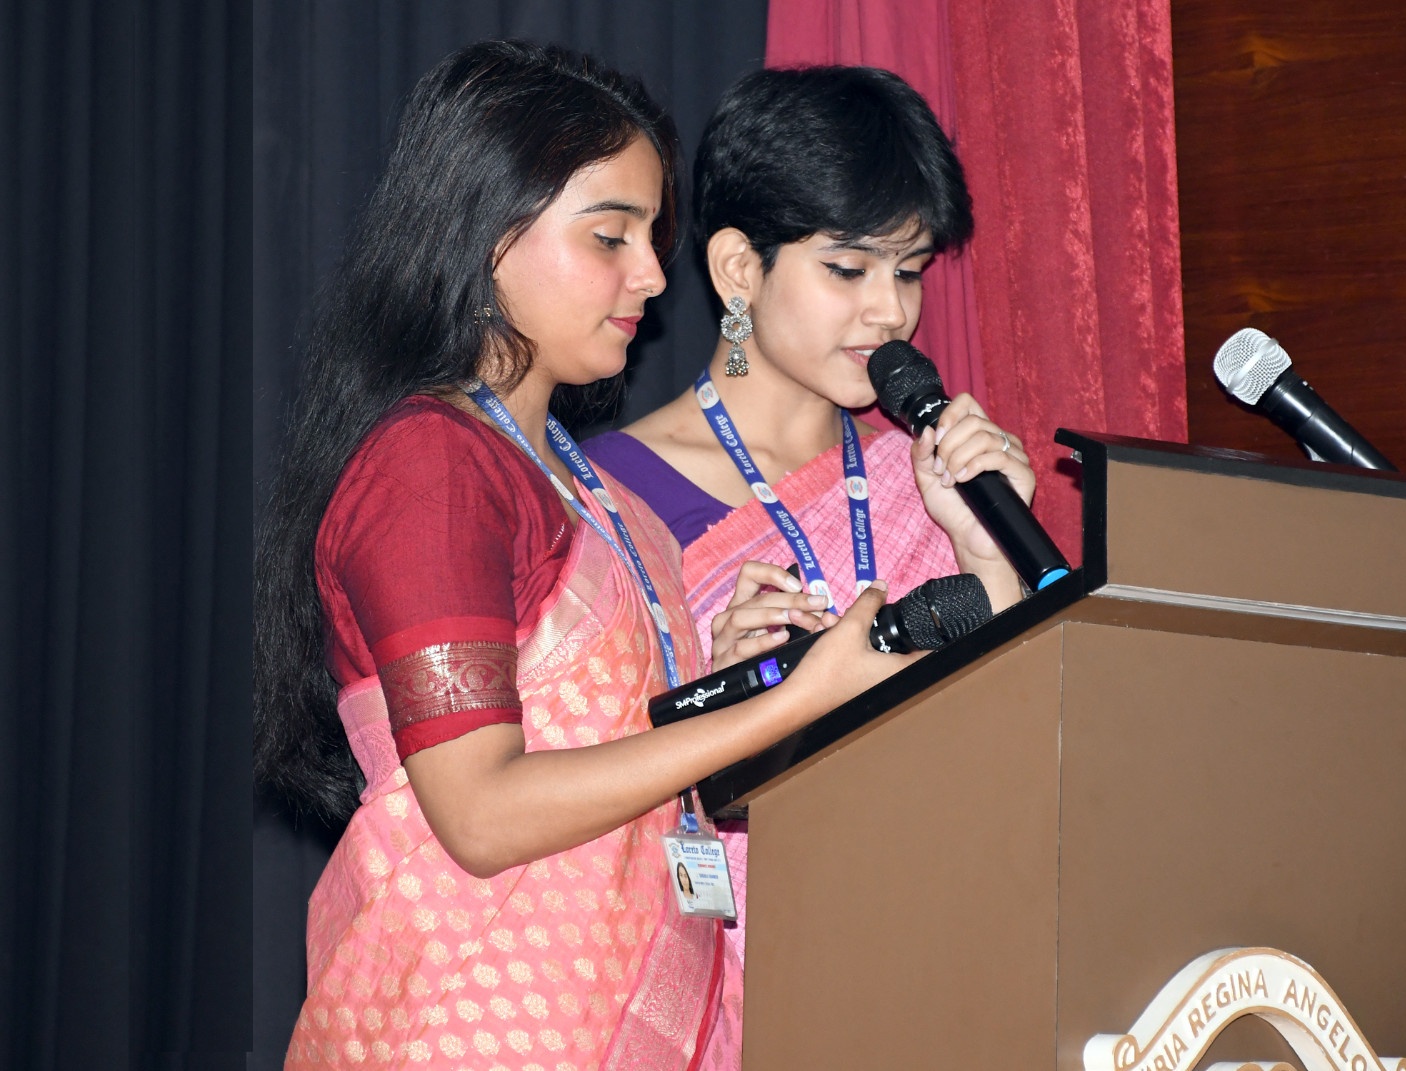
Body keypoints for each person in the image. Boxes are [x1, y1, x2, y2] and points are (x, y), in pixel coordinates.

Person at [253, 42, 907, 1071]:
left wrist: (725, 680)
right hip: (466, 1031)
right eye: (611, 236)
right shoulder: (429, 467)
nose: (651, 274)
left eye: (652, 236)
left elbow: (623, 760)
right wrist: (795, 702)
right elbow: (480, 812)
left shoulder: (593, 489)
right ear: (487, 236)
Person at [585, 66, 1037, 981]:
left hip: (937, 947)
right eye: (848, 268)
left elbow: (1016, 751)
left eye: (908, 271)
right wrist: (712, 699)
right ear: (738, 269)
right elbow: (569, 799)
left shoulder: (926, 478)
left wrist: (988, 555)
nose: (891, 310)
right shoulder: (604, 495)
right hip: (725, 973)